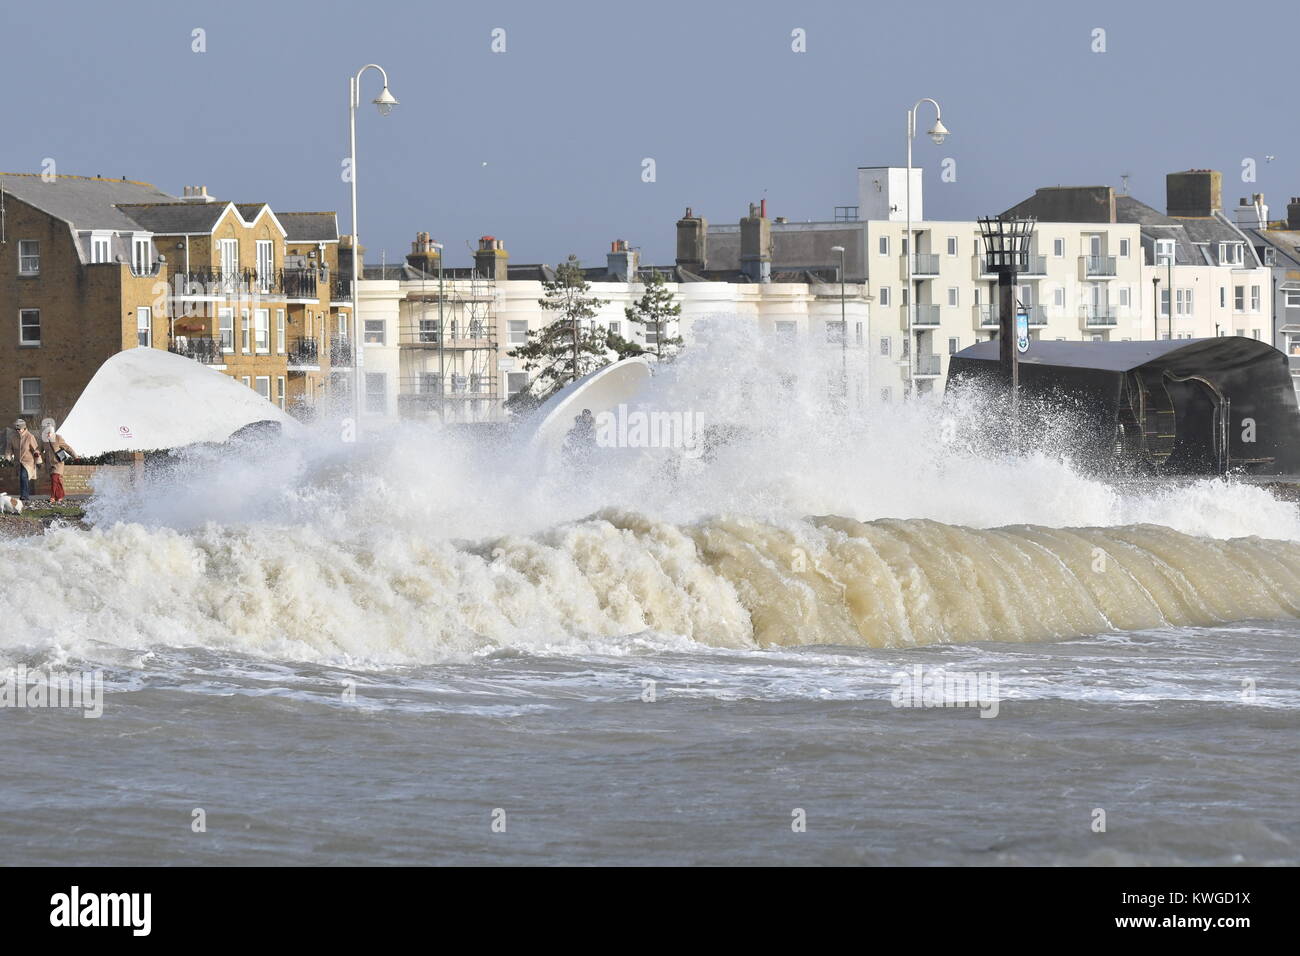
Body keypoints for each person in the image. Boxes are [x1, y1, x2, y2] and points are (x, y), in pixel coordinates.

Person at [40, 418, 77, 505]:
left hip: (58, 463)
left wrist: (75, 456)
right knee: (57, 481)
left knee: (54, 479)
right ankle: (60, 496)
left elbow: (67, 447)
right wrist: (36, 453)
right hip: (49, 463)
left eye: (49, 432)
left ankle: (52, 497)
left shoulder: (58, 438)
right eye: (46, 432)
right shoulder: (44, 440)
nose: (48, 434)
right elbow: (39, 449)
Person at [4, 418, 42, 501]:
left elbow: (36, 450)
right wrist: (7, 458)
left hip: (28, 462)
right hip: (18, 462)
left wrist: (38, 461)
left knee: (23, 477)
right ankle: (23, 495)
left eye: (19, 429)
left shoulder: (30, 436)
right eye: (16, 429)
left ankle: (24, 496)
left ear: (24, 428)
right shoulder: (13, 437)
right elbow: (9, 449)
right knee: (21, 478)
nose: (17, 430)